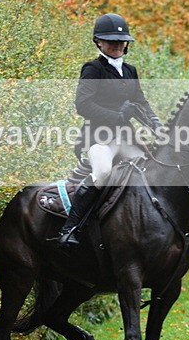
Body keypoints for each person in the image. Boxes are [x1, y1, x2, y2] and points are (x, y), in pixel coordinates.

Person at [56, 13, 162, 247]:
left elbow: (141, 102)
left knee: (149, 171)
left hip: (126, 139)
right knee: (103, 173)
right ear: (99, 42)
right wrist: (118, 116)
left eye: (121, 41)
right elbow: (83, 105)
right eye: (111, 41)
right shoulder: (93, 69)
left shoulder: (130, 70)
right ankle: (70, 228)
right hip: (100, 137)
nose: (117, 45)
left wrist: (156, 125)